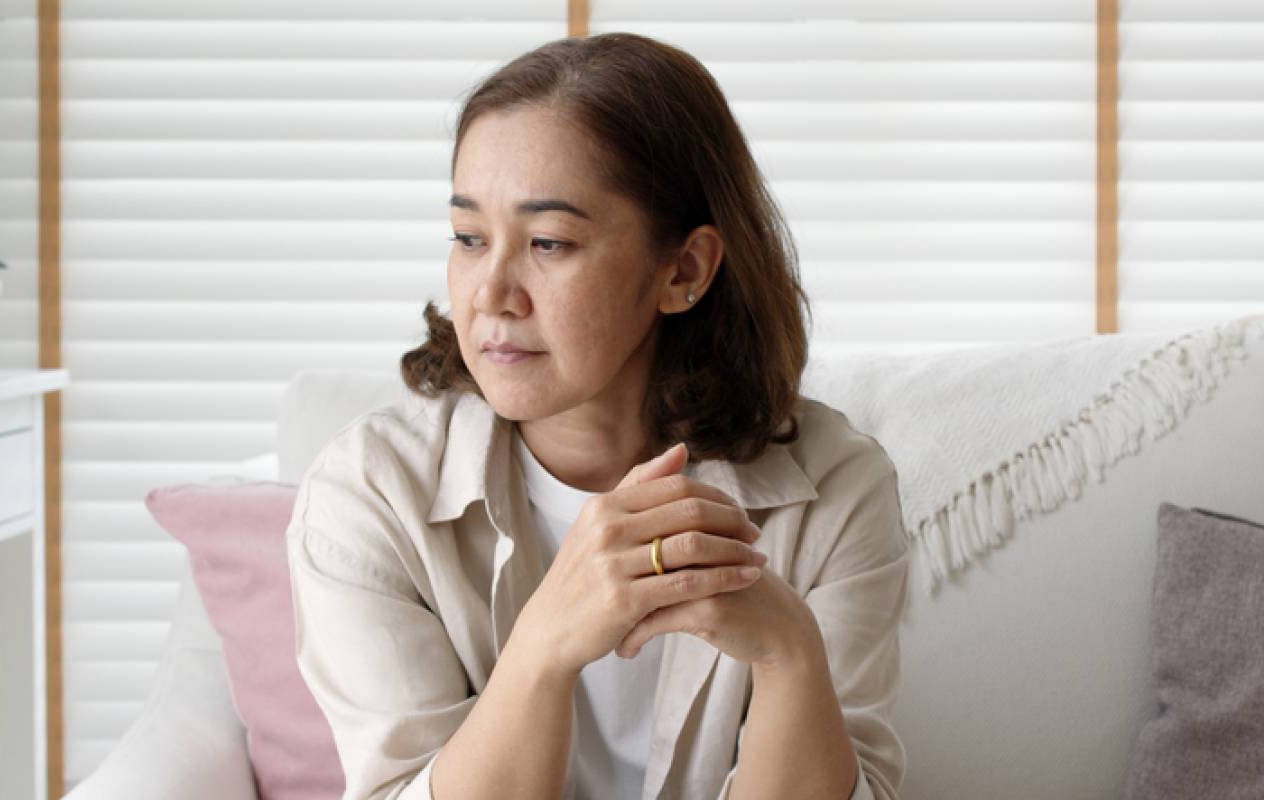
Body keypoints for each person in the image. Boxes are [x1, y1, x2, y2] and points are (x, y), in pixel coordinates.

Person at [284, 31, 910, 800]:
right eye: (469, 238)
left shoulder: (837, 490)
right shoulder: (370, 495)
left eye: (548, 242)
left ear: (682, 270)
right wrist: (545, 644)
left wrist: (789, 655)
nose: (491, 293)